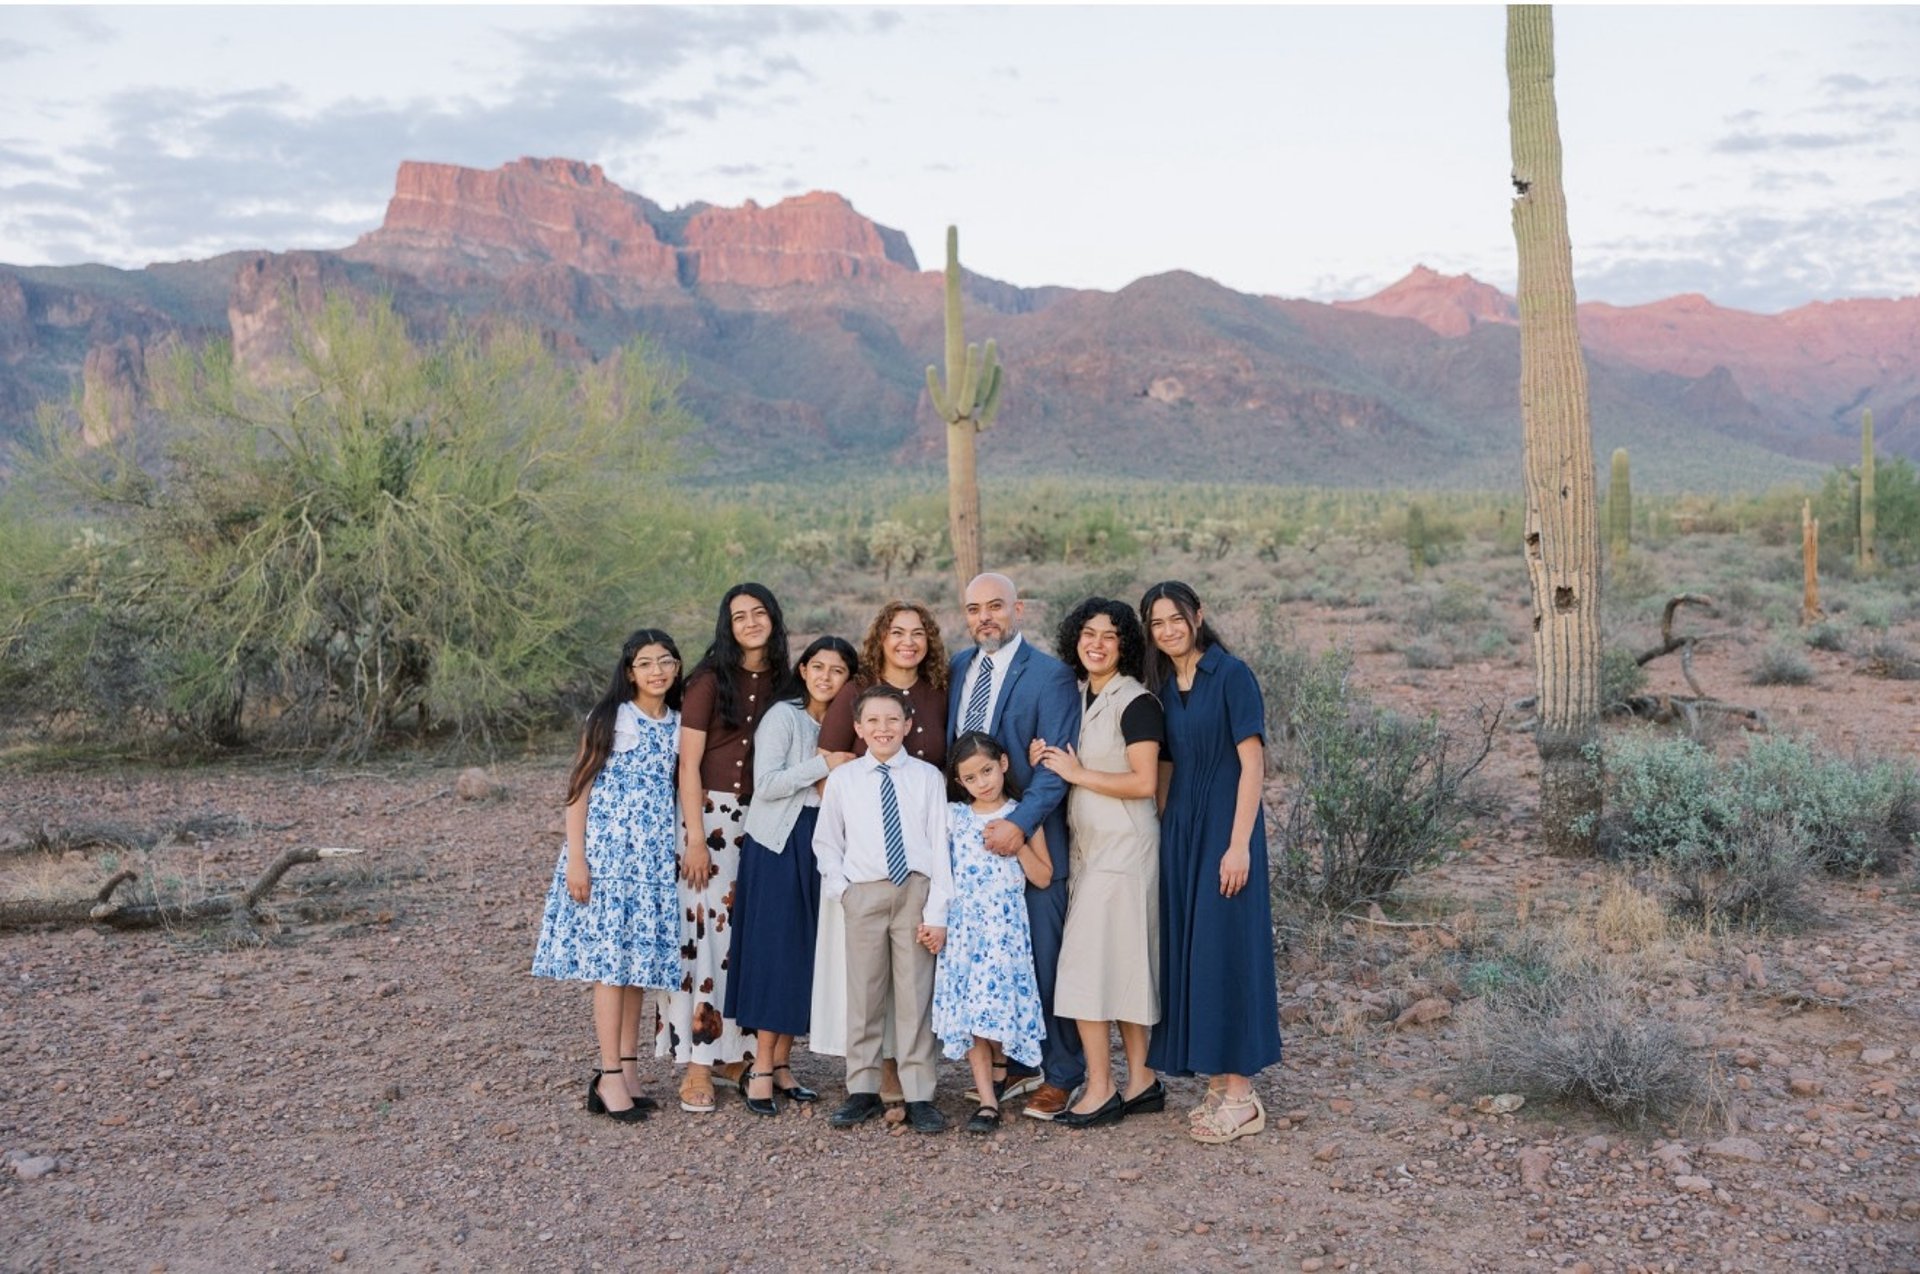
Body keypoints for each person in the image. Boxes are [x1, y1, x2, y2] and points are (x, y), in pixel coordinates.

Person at [1138, 580, 1281, 1144]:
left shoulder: (1233, 675)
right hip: (1182, 834)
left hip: (1227, 830)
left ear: (1198, 616)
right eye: (1157, 623)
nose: (1168, 630)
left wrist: (1239, 843)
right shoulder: (1167, 686)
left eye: (1177, 618)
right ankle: (1220, 1083)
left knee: (1227, 951)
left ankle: (1244, 1097)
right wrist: (1160, 824)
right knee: (1196, 952)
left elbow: (1253, 765)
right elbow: (1166, 768)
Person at [531, 629, 686, 1124]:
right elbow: (578, 790)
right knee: (609, 968)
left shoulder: (679, 724)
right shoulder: (611, 719)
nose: (656, 671)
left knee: (637, 967)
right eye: (645, 663)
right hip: (607, 858)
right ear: (629, 672)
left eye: (665, 661)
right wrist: (578, 860)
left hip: (652, 861)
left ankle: (629, 1070)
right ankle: (607, 1074)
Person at [948, 572, 1083, 1120]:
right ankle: (1017, 1064)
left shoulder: (1049, 677)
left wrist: (1019, 825)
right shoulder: (958, 668)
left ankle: (1063, 1071)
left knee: (1044, 955)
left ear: (1018, 609)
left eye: (996, 606)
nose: (986, 617)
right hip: (970, 841)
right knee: (993, 958)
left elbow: (1054, 772)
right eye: (975, 608)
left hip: (1030, 838)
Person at [1032, 597, 1164, 1129]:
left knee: (1085, 969)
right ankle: (1142, 1081)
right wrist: (1048, 757)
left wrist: (1076, 772)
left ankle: (1101, 1088)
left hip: (1125, 851)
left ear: (1125, 645)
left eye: (1109, 636)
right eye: (1088, 633)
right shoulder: (1083, 695)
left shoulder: (1138, 703)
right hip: (1094, 852)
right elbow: (1069, 762)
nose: (1096, 643)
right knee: (1126, 966)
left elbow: (1144, 783)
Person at [659, 583, 791, 1113]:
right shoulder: (709, 681)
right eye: (740, 616)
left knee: (746, 936)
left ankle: (736, 1052)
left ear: (774, 620)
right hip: (707, 819)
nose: (751, 622)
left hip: (761, 821)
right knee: (704, 939)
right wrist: (694, 838)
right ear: (727, 625)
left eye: (760, 613)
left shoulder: (786, 681)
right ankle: (696, 1065)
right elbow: (687, 764)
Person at [810, 601, 950, 1100]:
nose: (884, 729)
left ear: (909, 724)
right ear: (860, 726)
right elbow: (826, 839)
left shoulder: (929, 778)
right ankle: (862, 1090)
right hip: (862, 890)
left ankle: (918, 1095)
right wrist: (842, 889)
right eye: (874, 722)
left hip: (914, 888)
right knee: (864, 997)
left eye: (894, 721)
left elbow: (939, 846)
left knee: (915, 997)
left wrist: (937, 906)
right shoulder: (847, 779)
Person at [726, 635, 857, 1116]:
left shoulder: (847, 725)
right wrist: (823, 763)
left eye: (837, 670)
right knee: (775, 953)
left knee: (803, 952)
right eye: (817, 666)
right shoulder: (784, 716)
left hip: (818, 845)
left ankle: (782, 1066)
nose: (825, 676)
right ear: (803, 670)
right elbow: (768, 784)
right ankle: (760, 1069)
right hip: (778, 843)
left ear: (849, 680)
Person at [932, 732, 1052, 1136]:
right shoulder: (954, 817)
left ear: (1003, 764)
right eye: (971, 777)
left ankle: (1007, 1072)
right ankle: (986, 1100)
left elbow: (1043, 875)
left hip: (1005, 933)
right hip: (966, 931)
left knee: (995, 1010)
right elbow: (940, 874)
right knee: (971, 1016)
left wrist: (1017, 841)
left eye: (987, 770)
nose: (982, 782)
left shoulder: (1023, 814)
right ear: (960, 783)